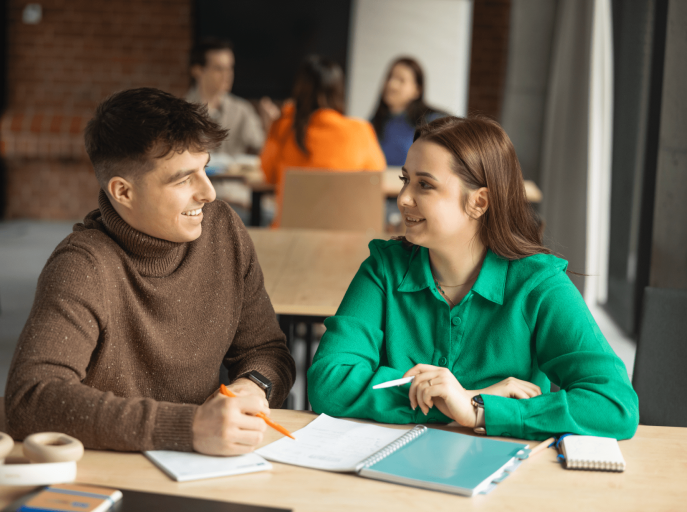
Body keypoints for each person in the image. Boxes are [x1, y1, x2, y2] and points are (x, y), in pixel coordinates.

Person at [307, 115, 639, 441]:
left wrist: (478, 410)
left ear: (479, 202)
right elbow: (329, 381)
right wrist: (464, 400)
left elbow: (614, 404)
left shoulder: (537, 283)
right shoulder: (384, 267)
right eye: (405, 179)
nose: (404, 198)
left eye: (425, 184)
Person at [5, 88, 296, 455]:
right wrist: (186, 427)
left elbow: (267, 349)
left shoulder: (222, 230)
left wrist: (252, 385)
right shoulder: (82, 266)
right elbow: (29, 398)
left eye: (205, 168)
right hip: (110, 468)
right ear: (123, 192)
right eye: (183, 179)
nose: (208, 192)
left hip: (204, 463)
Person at [260, 55, 386, 227]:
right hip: (347, 243)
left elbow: (268, 175)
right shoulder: (361, 131)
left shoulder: (283, 127)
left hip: (290, 241)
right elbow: (375, 181)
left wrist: (285, 114)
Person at [186, 37, 278, 155]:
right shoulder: (181, 111)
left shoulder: (241, 109)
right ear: (197, 70)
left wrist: (271, 127)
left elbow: (262, 147)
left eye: (230, 68)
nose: (227, 75)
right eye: (219, 69)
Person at [370, 57, 447, 167]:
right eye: (389, 77)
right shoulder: (371, 126)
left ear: (417, 90)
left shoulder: (433, 123)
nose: (392, 85)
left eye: (401, 80)